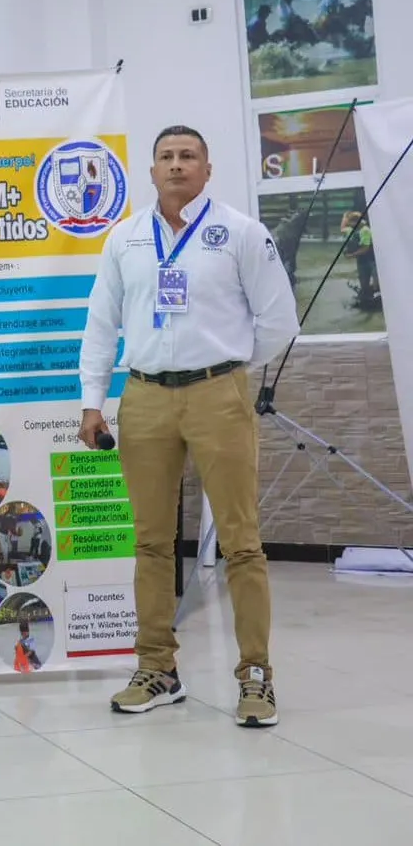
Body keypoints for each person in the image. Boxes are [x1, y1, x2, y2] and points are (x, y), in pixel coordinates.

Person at [79, 124, 299, 728]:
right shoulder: (124, 240)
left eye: (188, 157)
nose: (176, 165)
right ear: (151, 171)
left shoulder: (240, 234)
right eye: (166, 157)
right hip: (145, 397)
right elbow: (101, 326)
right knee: (151, 542)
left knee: (241, 541)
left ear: (207, 169)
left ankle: (256, 675)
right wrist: (91, 401)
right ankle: (157, 668)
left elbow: (280, 320)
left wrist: (227, 368)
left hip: (217, 394)